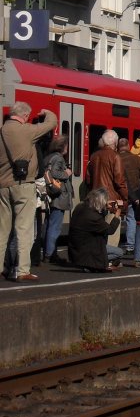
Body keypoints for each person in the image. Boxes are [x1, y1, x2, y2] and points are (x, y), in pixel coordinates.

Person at [0, 102, 57, 282]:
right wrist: (47, 111)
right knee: (24, 229)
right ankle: (22, 270)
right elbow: (52, 122)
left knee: (2, 230)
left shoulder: (2, 130)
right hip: (24, 185)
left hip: (3, 186)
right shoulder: (27, 131)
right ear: (25, 116)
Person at [88, 130, 128, 250]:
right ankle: (109, 258)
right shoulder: (116, 157)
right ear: (115, 142)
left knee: (98, 231)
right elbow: (119, 181)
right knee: (112, 232)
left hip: (95, 200)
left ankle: (98, 255)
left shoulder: (94, 156)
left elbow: (88, 180)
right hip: (112, 200)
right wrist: (126, 197)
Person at [68, 187, 123, 272]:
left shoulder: (80, 207)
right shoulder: (93, 217)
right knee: (119, 252)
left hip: (75, 248)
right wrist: (117, 214)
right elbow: (110, 230)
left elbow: (98, 220)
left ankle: (91, 263)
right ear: (100, 201)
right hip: (87, 250)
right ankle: (92, 264)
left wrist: (105, 207)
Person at [42, 135, 73, 264]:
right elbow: (55, 173)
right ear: (62, 147)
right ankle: (49, 254)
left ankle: (49, 252)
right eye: (66, 145)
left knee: (49, 225)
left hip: (51, 196)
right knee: (55, 226)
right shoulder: (58, 158)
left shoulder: (48, 156)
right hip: (59, 196)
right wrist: (67, 173)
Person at [117, 137, 140, 257]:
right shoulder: (137, 159)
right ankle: (130, 245)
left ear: (118, 147)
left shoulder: (115, 158)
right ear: (128, 146)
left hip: (119, 194)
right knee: (131, 219)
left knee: (116, 218)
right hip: (134, 194)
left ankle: (113, 245)